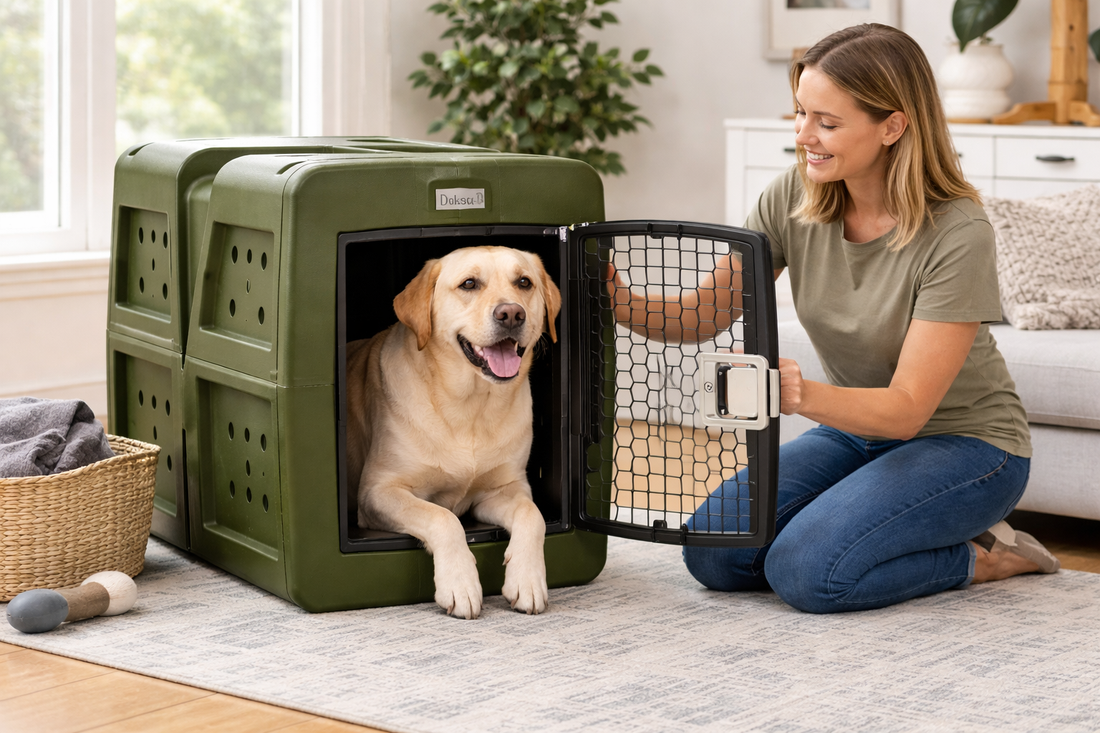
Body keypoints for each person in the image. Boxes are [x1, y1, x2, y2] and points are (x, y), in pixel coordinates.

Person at [607, 23, 1059, 614]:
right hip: (857, 431)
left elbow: (905, 411)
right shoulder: (792, 198)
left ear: (892, 125)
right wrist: (613, 295)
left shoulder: (958, 232)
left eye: (827, 121)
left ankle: (984, 556)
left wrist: (797, 394)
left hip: (967, 446)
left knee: (807, 571)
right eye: (799, 113)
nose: (804, 136)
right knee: (713, 552)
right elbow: (704, 314)